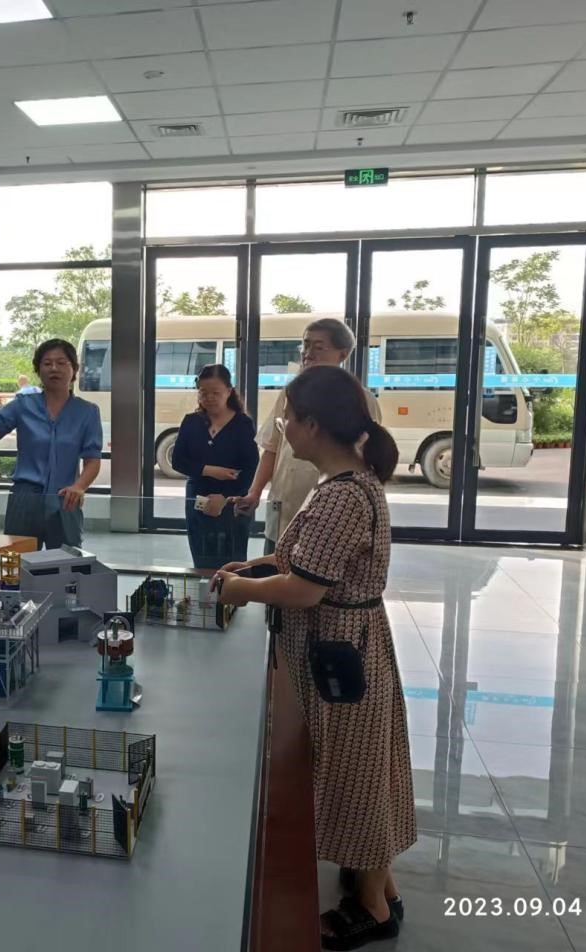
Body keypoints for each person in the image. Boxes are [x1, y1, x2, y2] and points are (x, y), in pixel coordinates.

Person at [211, 365, 414, 951]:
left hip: (340, 659)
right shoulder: (343, 484)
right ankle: (377, 883)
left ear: (314, 425)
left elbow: (305, 589)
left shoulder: (342, 496)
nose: (283, 428)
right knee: (362, 767)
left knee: (354, 773)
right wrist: (257, 566)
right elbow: (300, 560)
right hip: (346, 647)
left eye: (288, 418)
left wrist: (240, 589)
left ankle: (373, 909)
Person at [233, 318, 383, 553]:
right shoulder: (290, 393)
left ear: (342, 354)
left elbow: (366, 460)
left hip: (329, 514)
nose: (308, 353)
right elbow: (272, 447)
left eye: (318, 347)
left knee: (312, 566)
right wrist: (254, 493)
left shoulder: (360, 400)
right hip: (283, 507)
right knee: (273, 565)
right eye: (305, 344)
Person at [0, 339, 101, 549]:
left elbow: (92, 460)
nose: (54, 368)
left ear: (74, 369)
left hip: (66, 498)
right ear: (38, 370)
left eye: (61, 362)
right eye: (47, 363)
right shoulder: (23, 405)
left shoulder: (87, 412)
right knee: (18, 560)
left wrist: (79, 487)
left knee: (66, 561)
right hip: (25, 497)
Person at [170, 364, 259, 569]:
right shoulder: (191, 422)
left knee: (232, 560)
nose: (209, 398)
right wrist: (208, 470)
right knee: (202, 556)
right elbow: (178, 461)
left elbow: (251, 468)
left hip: (232, 500)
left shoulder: (242, 424)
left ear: (229, 391)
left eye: (215, 393)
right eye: (203, 393)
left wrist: (225, 497)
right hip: (198, 498)